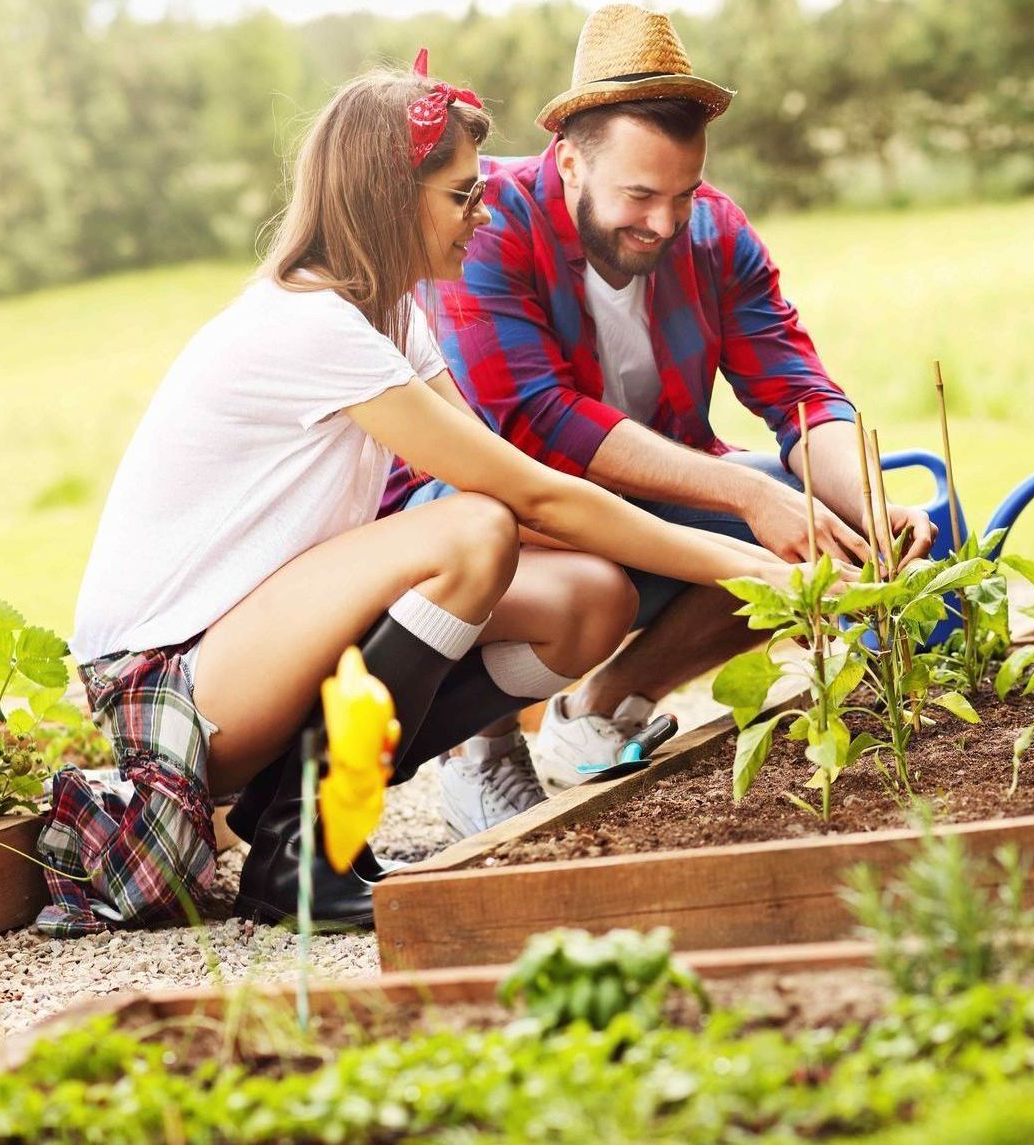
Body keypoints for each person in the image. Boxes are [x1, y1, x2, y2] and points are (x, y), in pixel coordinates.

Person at [48, 54, 811, 935]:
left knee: (589, 601)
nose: (480, 216)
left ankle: (291, 806)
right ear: (387, 196)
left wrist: (742, 557)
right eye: (460, 196)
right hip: (169, 692)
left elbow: (523, 481)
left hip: (249, 651)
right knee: (473, 530)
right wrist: (750, 563)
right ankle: (309, 849)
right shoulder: (308, 324)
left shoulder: (389, 316)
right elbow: (527, 495)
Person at [394, 4, 935, 831]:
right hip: (481, 511)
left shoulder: (714, 232)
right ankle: (483, 747)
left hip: (637, 498)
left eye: (682, 193)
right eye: (640, 195)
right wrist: (748, 496)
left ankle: (607, 705)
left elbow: (798, 390)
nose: (664, 223)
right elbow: (534, 422)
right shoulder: (486, 220)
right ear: (570, 162)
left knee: (804, 520)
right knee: (630, 533)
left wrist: (858, 497)